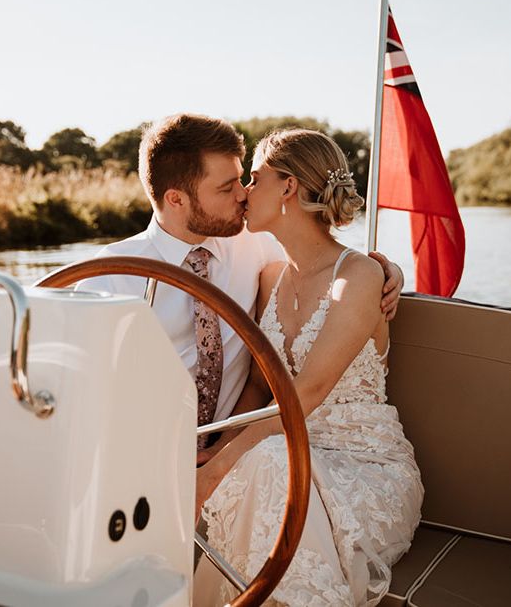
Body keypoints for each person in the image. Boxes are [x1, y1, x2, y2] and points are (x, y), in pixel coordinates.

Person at [193, 129, 424, 606]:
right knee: (268, 463)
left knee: (269, 463)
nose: (244, 192)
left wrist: (213, 473)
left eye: (255, 179)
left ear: (289, 187)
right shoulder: (275, 278)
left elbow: (306, 393)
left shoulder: (359, 276)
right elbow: (260, 385)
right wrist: (215, 444)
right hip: (287, 455)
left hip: (361, 468)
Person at [77, 114, 404, 432]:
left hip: (238, 443)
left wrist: (386, 270)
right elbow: (82, 393)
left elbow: (326, 265)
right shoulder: (108, 276)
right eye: (226, 187)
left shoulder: (258, 244)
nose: (242, 193)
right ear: (176, 199)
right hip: (141, 450)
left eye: (244, 179)